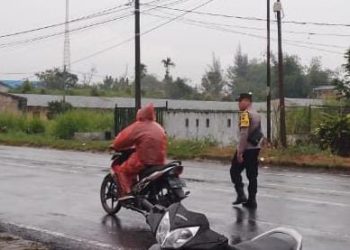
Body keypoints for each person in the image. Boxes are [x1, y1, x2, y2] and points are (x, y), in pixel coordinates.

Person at [111, 103, 167, 199]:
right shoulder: (159, 127)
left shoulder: (139, 126)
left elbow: (123, 139)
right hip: (160, 161)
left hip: (143, 160)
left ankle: (127, 194)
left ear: (140, 114)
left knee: (121, 170)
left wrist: (115, 145)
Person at [230, 93, 263, 209]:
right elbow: (259, 133)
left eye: (240, 101)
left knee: (234, 171)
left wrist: (240, 152)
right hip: (255, 148)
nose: (238, 104)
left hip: (246, 148)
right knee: (252, 175)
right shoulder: (257, 114)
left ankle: (241, 195)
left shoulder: (245, 115)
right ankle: (252, 200)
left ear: (246, 101)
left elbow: (244, 134)